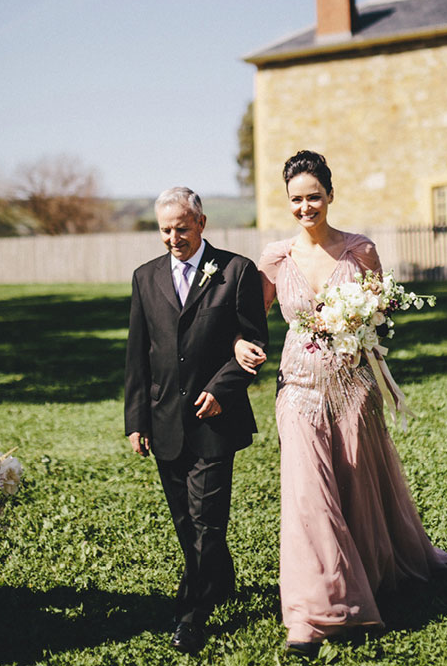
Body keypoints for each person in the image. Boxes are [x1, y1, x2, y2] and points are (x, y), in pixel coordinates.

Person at [235, 151, 447, 657]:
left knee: (357, 484)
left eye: (313, 196)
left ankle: (371, 573)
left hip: (354, 386)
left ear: (330, 195)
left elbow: (381, 309)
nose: (305, 207)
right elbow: (250, 320)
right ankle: (312, 613)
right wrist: (240, 343)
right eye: (296, 199)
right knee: (307, 497)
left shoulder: (360, 250)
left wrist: (363, 318)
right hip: (297, 389)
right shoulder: (276, 258)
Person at [125, 186, 268, 655]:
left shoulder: (236, 271)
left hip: (215, 421)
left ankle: (191, 614)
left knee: (208, 521)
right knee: (185, 521)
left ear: (201, 224)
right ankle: (219, 581)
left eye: (182, 229)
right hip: (163, 419)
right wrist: (136, 419)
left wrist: (223, 389)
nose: (173, 238)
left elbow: (255, 343)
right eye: (165, 230)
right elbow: (138, 355)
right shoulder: (145, 277)